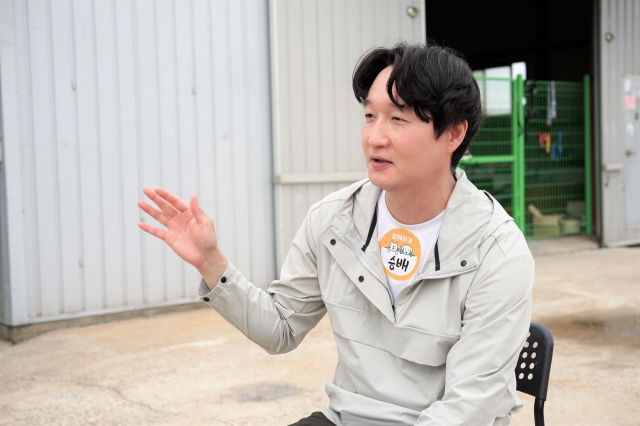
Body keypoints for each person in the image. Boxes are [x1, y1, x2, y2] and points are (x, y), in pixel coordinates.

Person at [138, 42, 534, 426]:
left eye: (398, 119)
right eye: (369, 116)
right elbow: (281, 328)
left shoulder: (497, 251)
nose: (375, 137)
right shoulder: (333, 222)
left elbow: (468, 407)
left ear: (454, 134)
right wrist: (212, 264)